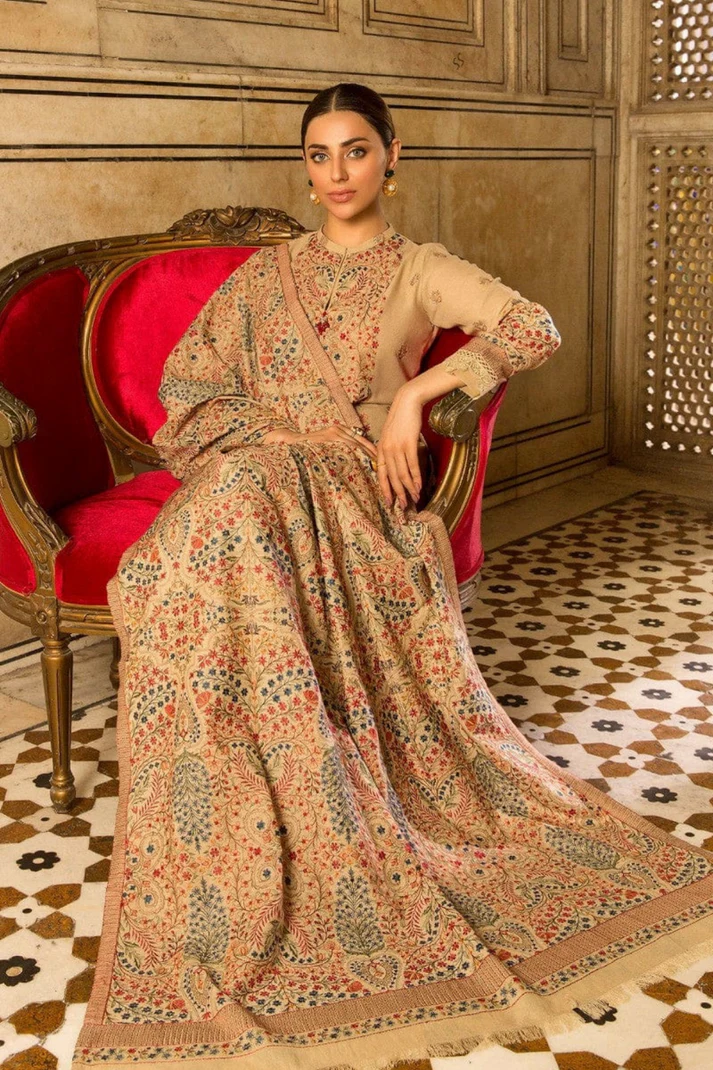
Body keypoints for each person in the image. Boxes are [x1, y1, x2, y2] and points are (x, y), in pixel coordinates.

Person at [73, 84, 713, 1070]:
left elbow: (532, 327)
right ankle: (231, 809)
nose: (335, 173)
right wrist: (259, 435)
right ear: (305, 167)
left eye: (355, 151)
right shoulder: (265, 274)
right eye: (318, 154)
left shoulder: (421, 269)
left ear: (391, 156)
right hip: (251, 471)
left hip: (348, 483)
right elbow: (190, 380)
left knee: (216, 533)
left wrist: (416, 394)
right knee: (189, 552)